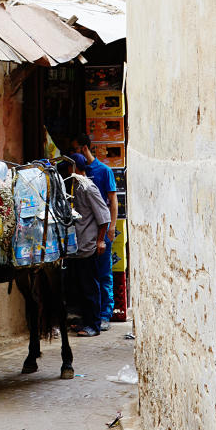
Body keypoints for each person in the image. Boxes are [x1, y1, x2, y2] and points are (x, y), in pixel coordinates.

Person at [70, 133, 118, 330]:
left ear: (83, 148)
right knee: (87, 280)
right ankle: (90, 318)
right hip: (85, 238)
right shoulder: (77, 182)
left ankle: (102, 317)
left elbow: (109, 204)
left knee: (102, 275)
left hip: (98, 234)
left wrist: (109, 230)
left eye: (74, 148)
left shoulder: (102, 172)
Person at [58, 154, 110, 337]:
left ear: (75, 168)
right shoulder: (73, 187)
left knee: (90, 288)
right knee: (78, 288)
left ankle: (94, 325)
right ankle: (83, 321)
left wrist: (101, 240)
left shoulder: (89, 188)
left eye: (68, 168)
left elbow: (104, 217)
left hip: (87, 247)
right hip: (75, 248)